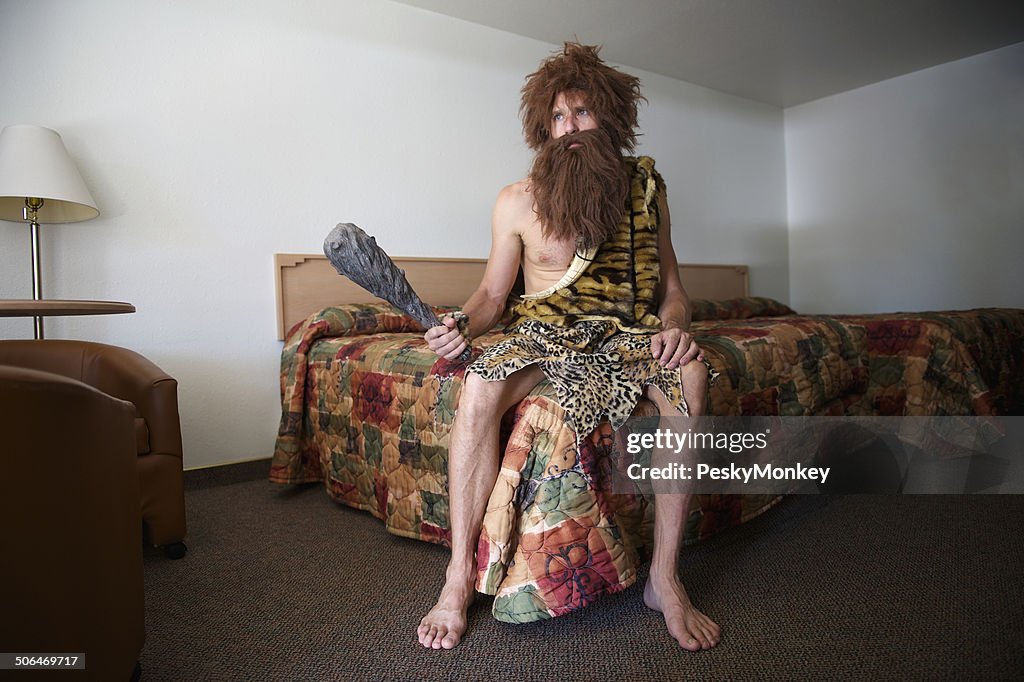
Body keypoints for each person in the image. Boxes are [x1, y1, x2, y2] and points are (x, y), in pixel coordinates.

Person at [417, 42, 721, 652]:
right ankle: (455, 581)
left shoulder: (646, 191)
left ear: (609, 117)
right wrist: (460, 323)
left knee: (691, 378)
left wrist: (675, 327)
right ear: (542, 127)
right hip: (543, 334)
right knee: (477, 387)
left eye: (581, 113)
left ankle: (664, 576)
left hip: (626, 336)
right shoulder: (517, 200)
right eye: (557, 118)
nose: (569, 128)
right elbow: (489, 297)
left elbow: (675, 293)